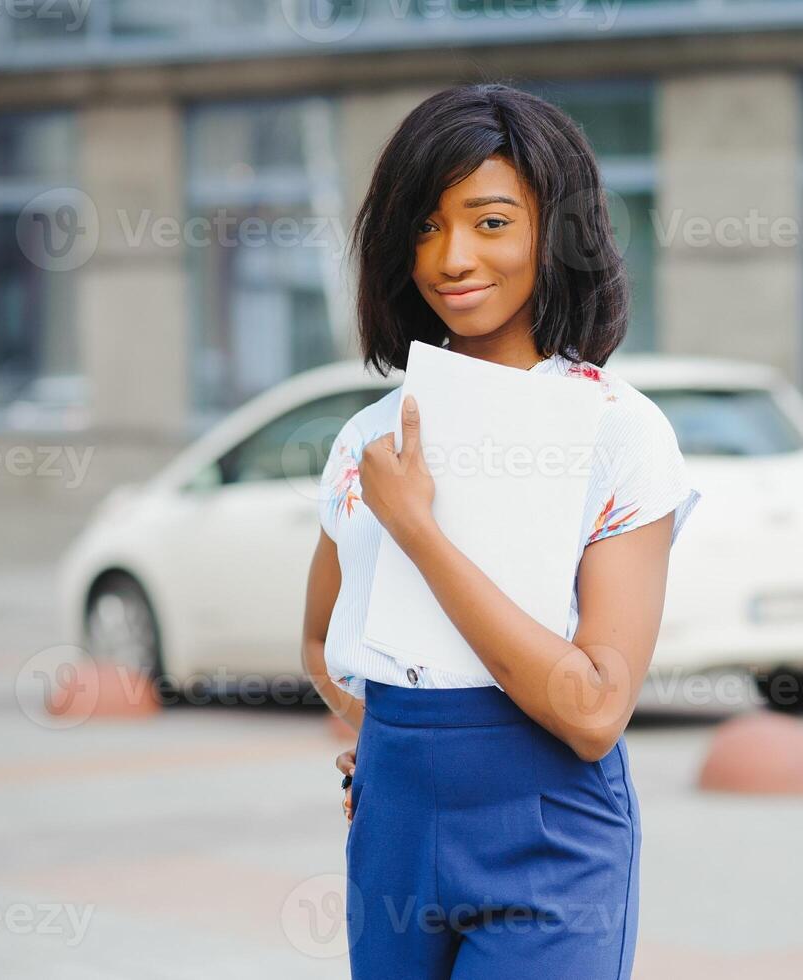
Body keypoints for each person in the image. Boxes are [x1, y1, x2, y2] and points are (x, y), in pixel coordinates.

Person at [300, 82, 701, 979]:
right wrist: (375, 739)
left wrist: (420, 532)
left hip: (547, 834)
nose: (450, 257)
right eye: (424, 226)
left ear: (555, 235)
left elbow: (595, 709)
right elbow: (318, 639)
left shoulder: (615, 431)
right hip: (392, 830)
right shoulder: (366, 435)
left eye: (489, 222)